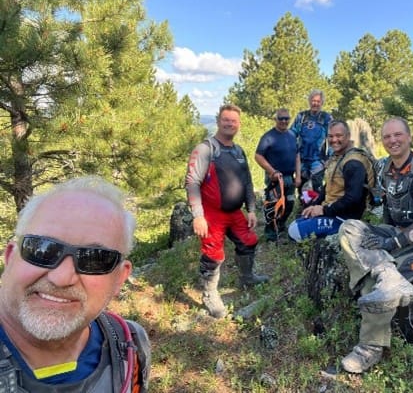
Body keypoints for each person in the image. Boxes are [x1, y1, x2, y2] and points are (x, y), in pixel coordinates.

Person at [0, 176, 150, 392]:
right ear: (10, 257)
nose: (61, 278)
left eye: (95, 258)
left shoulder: (130, 345)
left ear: (119, 278)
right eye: (43, 249)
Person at [338, 117, 413, 373]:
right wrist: (384, 241)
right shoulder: (383, 168)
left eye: (398, 134)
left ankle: (370, 347)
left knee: (377, 280)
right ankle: (387, 275)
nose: (393, 140)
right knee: (349, 228)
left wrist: (391, 243)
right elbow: (388, 211)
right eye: (387, 136)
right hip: (397, 233)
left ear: (409, 136)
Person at [185, 104, 269, 319]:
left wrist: (250, 209)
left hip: (235, 212)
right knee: (213, 255)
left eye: (234, 121)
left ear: (238, 124)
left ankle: (247, 277)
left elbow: (248, 182)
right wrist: (198, 216)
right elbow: (192, 182)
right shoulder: (206, 149)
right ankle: (210, 294)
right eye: (226, 120)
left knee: (249, 240)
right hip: (212, 214)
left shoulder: (238, 151)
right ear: (218, 121)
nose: (230, 124)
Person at [288, 120, 374, 242]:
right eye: (331, 136)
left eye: (339, 136)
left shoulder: (353, 163)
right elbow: (328, 186)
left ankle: (334, 240)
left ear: (348, 136)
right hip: (332, 211)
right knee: (298, 220)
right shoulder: (338, 156)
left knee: (294, 231)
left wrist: (323, 210)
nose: (334, 140)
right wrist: (315, 205)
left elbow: (353, 198)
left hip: (345, 218)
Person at [255, 108, 301, 242]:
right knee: (273, 205)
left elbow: (297, 155)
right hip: (275, 178)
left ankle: (280, 227)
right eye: (281, 118)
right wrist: (271, 171)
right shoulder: (268, 137)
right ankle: (270, 234)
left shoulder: (292, 135)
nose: (284, 121)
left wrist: (298, 176)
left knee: (290, 203)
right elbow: (258, 156)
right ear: (275, 119)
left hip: (289, 177)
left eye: (287, 118)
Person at [290, 89, 333, 195]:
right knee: (302, 189)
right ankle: (303, 208)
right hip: (302, 161)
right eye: (313, 101)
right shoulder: (301, 117)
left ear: (322, 103)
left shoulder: (326, 118)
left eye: (318, 101)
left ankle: (315, 209)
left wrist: (330, 158)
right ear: (309, 101)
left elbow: (332, 138)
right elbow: (291, 135)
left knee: (315, 188)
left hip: (318, 161)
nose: (315, 104)